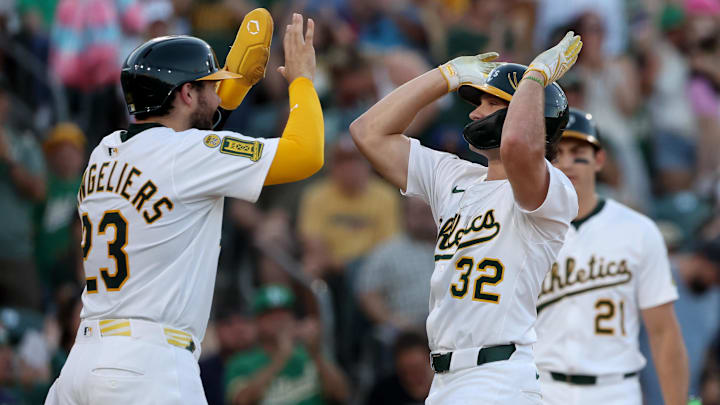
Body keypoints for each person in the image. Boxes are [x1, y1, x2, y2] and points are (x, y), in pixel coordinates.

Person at [45, 9, 324, 404]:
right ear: (187, 94)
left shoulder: (103, 151)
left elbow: (185, 144)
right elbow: (307, 154)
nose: (216, 93)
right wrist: (302, 83)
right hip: (147, 367)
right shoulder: (188, 154)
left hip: (82, 362)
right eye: (209, 85)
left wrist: (234, 85)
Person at [350, 31, 582, 403]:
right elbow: (368, 133)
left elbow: (520, 146)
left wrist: (536, 77)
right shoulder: (455, 177)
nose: (475, 112)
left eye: (490, 103)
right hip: (445, 380)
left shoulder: (552, 186)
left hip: (497, 375)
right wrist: (445, 75)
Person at [535, 109, 689, 405]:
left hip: (615, 389)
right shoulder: (529, 227)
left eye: (578, 151)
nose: (567, 162)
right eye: (557, 153)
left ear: (600, 159)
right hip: (542, 387)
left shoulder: (639, 230)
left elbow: (663, 331)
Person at [224, 285, 349, 405]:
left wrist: (316, 354)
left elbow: (342, 394)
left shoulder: (308, 353)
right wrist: (281, 356)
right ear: (257, 322)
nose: (279, 319)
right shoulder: (240, 363)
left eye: (284, 312)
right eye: (270, 314)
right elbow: (242, 401)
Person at [365, 331, 434, 405]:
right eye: (407, 372)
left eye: (419, 369)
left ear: (430, 362)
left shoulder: (443, 388)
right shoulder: (383, 394)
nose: (414, 377)